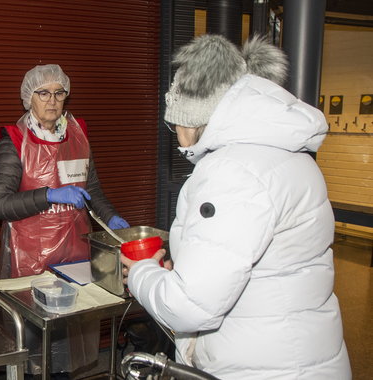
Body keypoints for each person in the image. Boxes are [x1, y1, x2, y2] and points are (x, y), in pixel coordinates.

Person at [120, 34, 352, 379]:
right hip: (300, 355)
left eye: (174, 123)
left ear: (192, 117)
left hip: (263, 368)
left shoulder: (232, 172)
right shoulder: (286, 154)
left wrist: (140, 273)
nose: (175, 134)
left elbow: (190, 306)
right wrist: (182, 273)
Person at [0, 64, 130, 377]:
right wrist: (49, 195)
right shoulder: (14, 140)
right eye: (43, 93)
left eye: (59, 93)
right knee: (33, 344)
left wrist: (111, 217)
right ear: (29, 98)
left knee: (69, 343)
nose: (52, 100)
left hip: (75, 256)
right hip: (30, 257)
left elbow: (93, 191)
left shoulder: (77, 134)